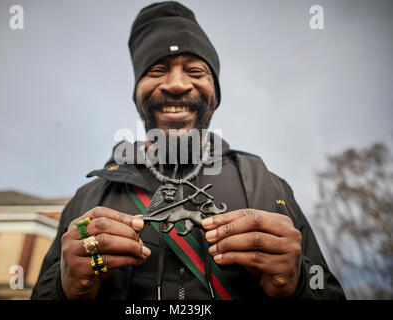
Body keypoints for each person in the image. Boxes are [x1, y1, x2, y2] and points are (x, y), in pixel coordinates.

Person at [31, 1, 346, 300]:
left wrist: (298, 283)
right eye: (157, 71)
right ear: (137, 93)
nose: (177, 84)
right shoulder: (87, 200)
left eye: (195, 71)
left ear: (215, 94)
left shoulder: (266, 185)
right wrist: (65, 289)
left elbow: (327, 291)